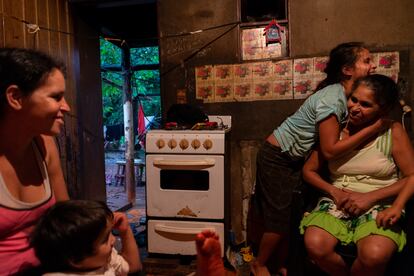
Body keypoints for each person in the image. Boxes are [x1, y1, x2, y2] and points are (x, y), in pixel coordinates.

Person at [250, 42, 381, 276]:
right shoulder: (333, 98)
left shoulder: (346, 96)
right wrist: (372, 130)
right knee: (279, 217)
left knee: (291, 213)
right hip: (276, 156)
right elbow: (330, 150)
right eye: (367, 61)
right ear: (348, 70)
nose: (373, 66)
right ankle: (259, 263)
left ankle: (279, 263)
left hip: (292, 158)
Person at [300, 74, 414, 276]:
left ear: (383, 109)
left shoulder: (392, 131)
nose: (354, 107)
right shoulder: (336, 131)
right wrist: (334, 192)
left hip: (380, 203)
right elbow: (309, 170)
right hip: (337, 202)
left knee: (374, 255)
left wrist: (381, 201)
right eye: (353, 100)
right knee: (315, 245)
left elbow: (411, 176)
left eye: (365, 104)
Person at [0, 48, 70, 275]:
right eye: (56, 97)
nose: (66, 107)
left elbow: (65, 220)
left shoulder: (44, 145)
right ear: (16, 98)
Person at [30, 200, 142, 275]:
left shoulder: (107, 259)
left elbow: (133, 266)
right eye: (104, 240)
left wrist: (125, 231)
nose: (113, 240)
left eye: (110, 233)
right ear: (75, 259)